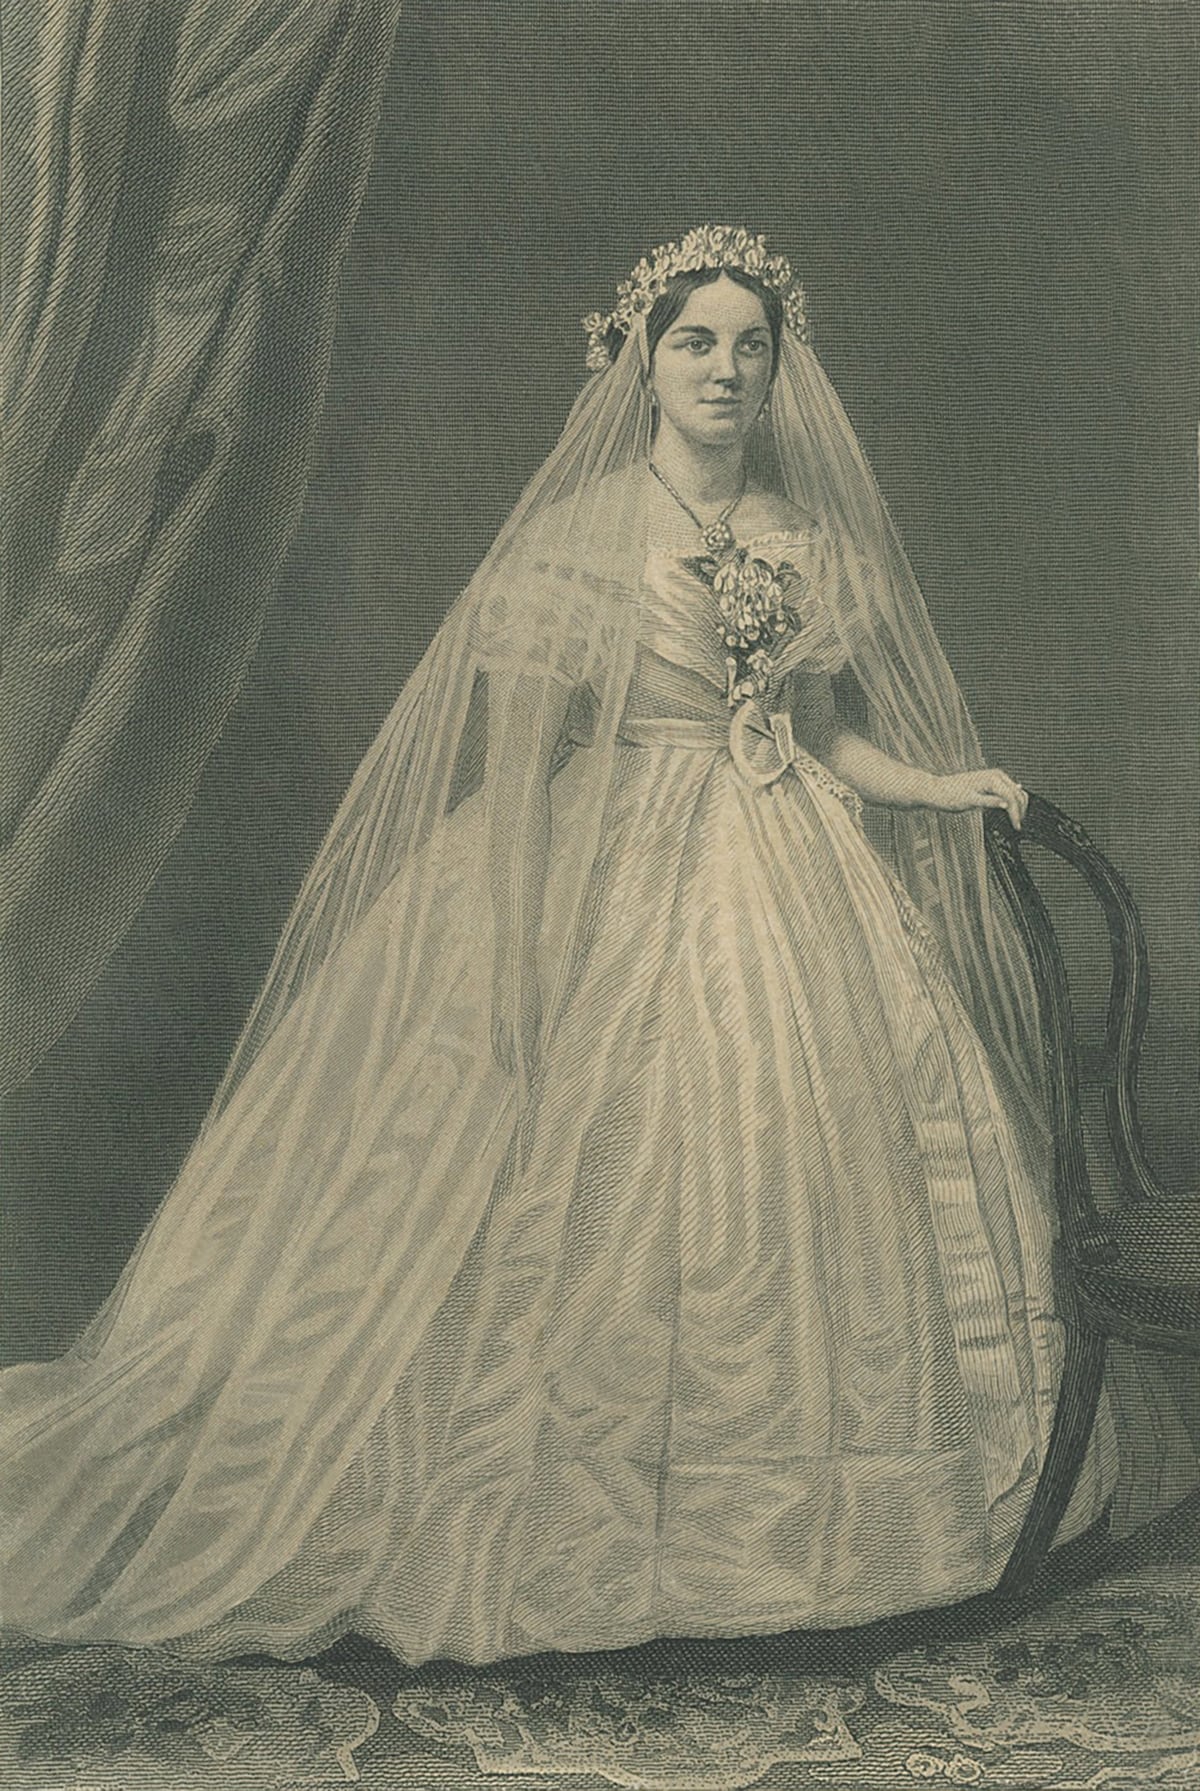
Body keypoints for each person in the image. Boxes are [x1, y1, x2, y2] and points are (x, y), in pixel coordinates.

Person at [1, 227, 1119, 1667]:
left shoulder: (799, 534)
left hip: (795, 863)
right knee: (596, 1162)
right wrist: (513, 946)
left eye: (750, 346)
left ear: (780, 371)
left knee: (805, 1143)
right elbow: (524, 764)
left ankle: (807, 1533)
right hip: (620, 852)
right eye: (694, 342)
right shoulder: (589, 534)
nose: (723, 370)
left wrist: (939, 786)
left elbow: (827, 733)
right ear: (641, 363)